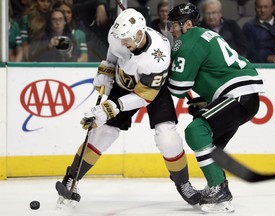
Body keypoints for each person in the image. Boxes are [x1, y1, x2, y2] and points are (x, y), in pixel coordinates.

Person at [56, 8, 202, 207]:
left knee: (167, 136)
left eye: (127, 39)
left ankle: (184, 184)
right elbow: (113, 53)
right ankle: (72, 178)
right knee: (103, 133)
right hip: (122, 83)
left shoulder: (159, 55)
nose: (122, 43)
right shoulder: (118, 37)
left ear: (140, 34)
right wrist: (106, 72)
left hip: (152, 91)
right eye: (120, 38)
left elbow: (144, 96)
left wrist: (112, 107)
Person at [167, 3, 264, 213]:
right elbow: (211, 73)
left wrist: (159, 71)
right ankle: (218, 188)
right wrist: (204, 102)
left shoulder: (188, 40)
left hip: (237, 95)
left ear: (188, 24)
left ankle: (218, 188)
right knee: (211, 143)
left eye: (175, 25)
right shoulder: (203, 35)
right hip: (242, 95)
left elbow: (177, 87)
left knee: (196, 131)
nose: (172, 30)